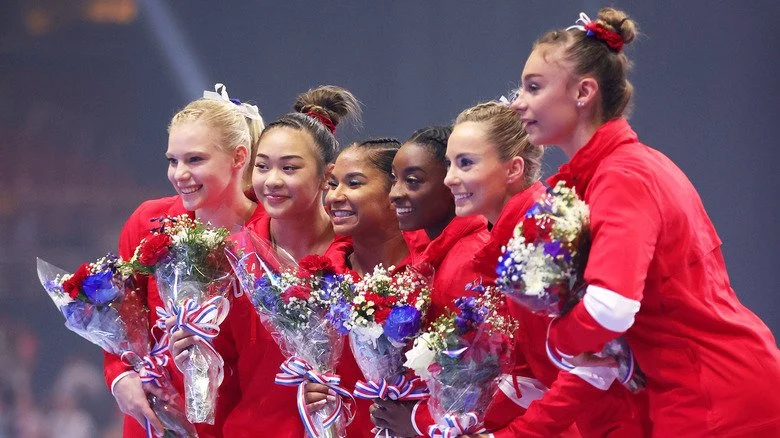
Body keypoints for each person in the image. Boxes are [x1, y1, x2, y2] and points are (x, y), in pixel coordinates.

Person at [511, 7, 780, 436]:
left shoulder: (623, 177)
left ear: (584, 92)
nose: (518, 102)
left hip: (716, 397)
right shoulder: (609, 172)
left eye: (533, 87)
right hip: (700, 388)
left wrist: (559, 341)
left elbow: (610, 308)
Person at [168, 85, 365, 437]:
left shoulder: (360, 255)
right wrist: (190, 357)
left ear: (326, 177)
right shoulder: (230, 256)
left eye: (289, 168)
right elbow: (223, 380)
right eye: (262, 167)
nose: (272, 181)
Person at [446, 101, 643, 437]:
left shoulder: (546, 238)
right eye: (449, 164)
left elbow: (594, 367)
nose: (450, 178)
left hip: (616, 423)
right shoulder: (513, 238)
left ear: (514, 169)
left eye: (466, 164)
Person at [105, 84, 264, 438]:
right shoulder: (148, 220)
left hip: (244, 419)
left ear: (239, 158)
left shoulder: (270, 231)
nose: (179, 174)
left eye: (195, 160)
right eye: (172, 160)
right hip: (157, 416)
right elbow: (121, 321)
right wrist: (121, 377)